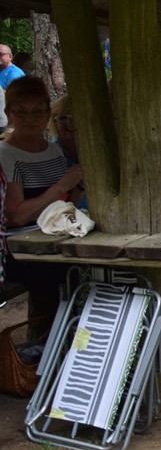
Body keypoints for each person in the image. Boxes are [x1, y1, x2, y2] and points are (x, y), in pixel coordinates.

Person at [0, 77, 84, 333]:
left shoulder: (53, 151)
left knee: (97, 268)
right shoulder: (6, 154)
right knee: (64, 277)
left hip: (51, 241)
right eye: (21, 112)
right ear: (8, 114)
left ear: (47, 114)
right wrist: (61, 186)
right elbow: (16, 216)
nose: (30, 119)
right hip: (15, 249)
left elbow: (65, 207)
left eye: (37, 112)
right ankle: (45, 344)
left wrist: (79, 186)